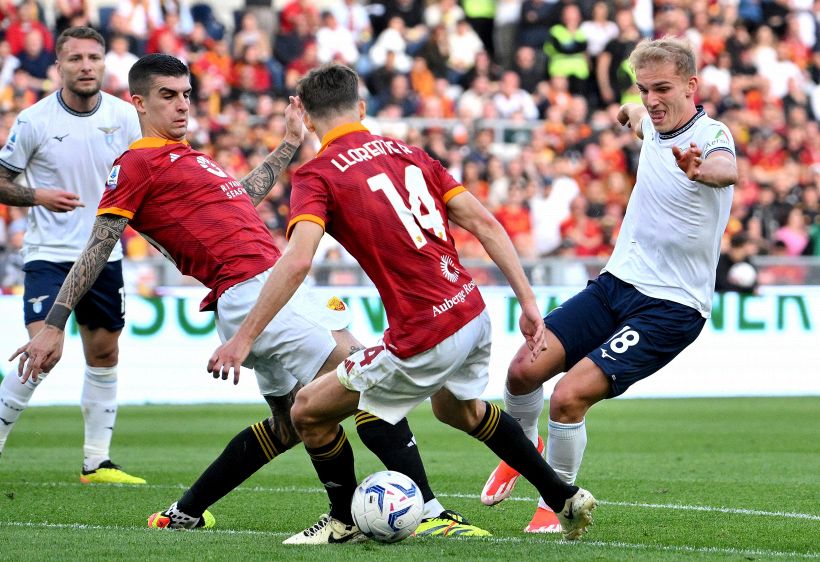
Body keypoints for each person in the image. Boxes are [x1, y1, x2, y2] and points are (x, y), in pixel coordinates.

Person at [11, 53, 490, 538]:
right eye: (167, 95)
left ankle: (187, 511)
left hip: (258, 294)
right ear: (138, 102)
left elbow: (242, 195)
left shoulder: (190, 158)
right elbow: (99, 243)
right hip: (256, 289)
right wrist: (53, 324)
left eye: (186, 94)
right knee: (369, 378)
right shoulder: (135, 164)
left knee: (288, 425)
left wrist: (287, 145)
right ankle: (430, 513)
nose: (182, 105)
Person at [208, 62, 597, 545]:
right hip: (471, 311)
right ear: (362, 107)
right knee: (461, 412)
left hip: (423, 332)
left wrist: (242, 339)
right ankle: (563, 496)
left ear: (306, 119)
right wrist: (528, 301)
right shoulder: (411, 153)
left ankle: (344, 522)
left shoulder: (316, 175)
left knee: (309, 408)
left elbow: (295, 262)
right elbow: (486, 224)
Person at [481, 37, 738, 533]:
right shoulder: (652, 122)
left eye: (662, 89)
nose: (652, 99)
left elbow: (728, 169)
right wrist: (628, 112)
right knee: (519, 372)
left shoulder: (711, 135)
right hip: (615, 286)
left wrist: (700, 170)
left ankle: (558, 500)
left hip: (671, 307)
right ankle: (523, 446)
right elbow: (633, 114)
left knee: (568, 396)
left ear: (691, 85)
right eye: (645, 89)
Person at [0, 26, 144, 485]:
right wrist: (37, 194)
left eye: (94, 58)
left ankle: (95, 462)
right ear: (58, 66)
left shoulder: (126, 117)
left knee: (104, 353)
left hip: (106, 256)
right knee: (44, 353)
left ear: (105, 64)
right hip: (49, 255)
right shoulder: (33, 120)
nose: (86, 66)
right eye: (77, 59)